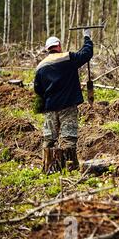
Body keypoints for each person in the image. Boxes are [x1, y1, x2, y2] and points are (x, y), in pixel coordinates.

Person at [34, 30, 93, 173]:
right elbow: (86, 54)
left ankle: (48, 169)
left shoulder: (40, 67)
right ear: (59, 46)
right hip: (68, 106)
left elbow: (38, 90)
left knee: (49, 139)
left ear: (47, 49)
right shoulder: (68, 58)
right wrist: (87, 38)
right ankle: (71, 169)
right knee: (68, 139)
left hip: (50, 108)